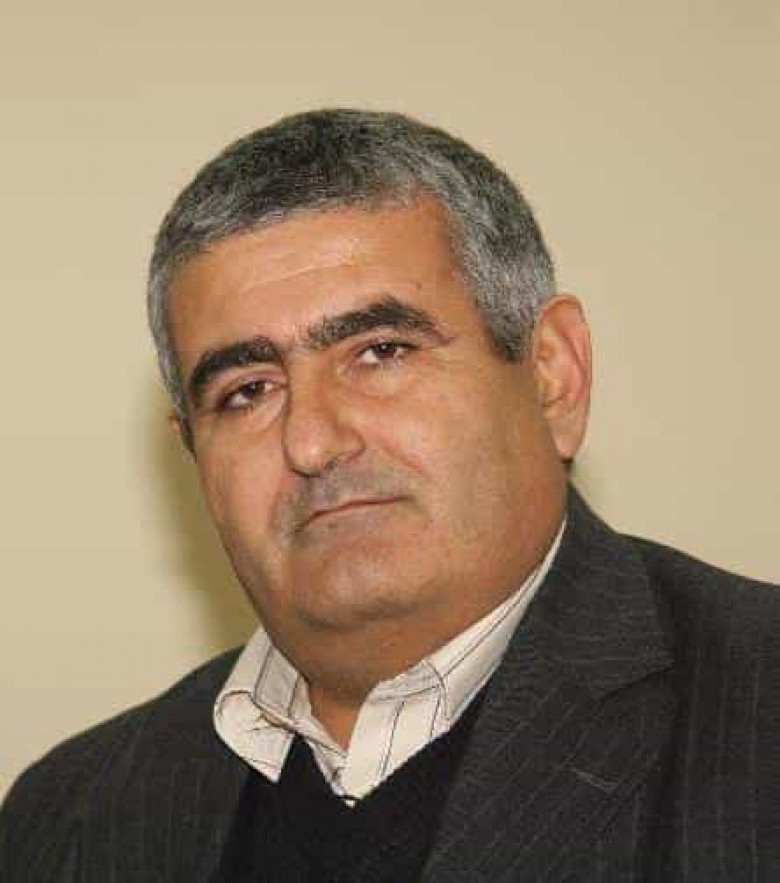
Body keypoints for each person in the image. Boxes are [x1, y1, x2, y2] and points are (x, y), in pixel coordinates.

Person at [1, 109, 778, 883]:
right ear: (193, 452)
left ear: (552, 375)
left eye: (380, 352)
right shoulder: (65, 818)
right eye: (247, 391)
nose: (312, 442)